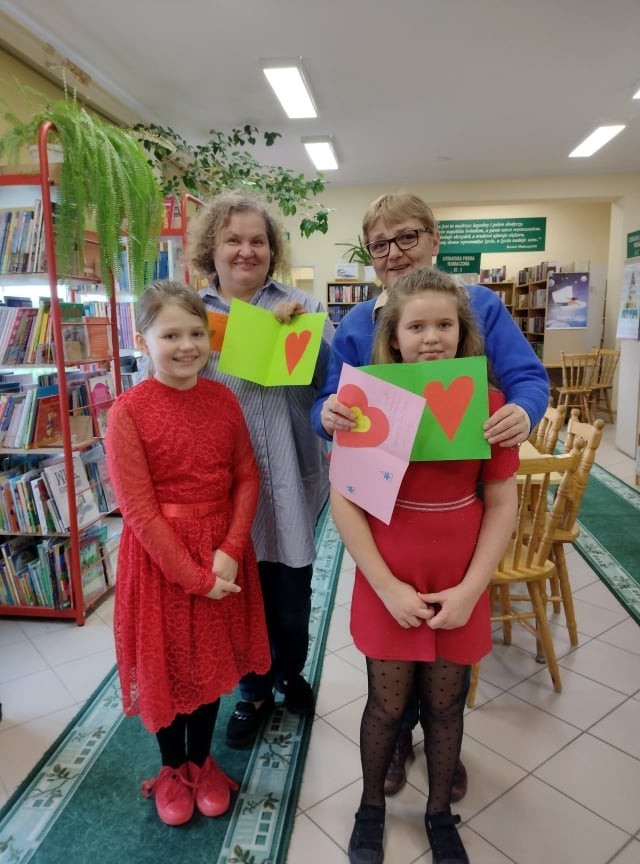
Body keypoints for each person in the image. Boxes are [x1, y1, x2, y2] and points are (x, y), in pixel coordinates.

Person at [312, 192, 549, 799]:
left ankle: (437, 744)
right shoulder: (358, 323)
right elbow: (330, 401)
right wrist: (327, 414)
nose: (394, 252)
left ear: (434, 238)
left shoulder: (481, 306)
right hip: (389, 516)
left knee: (444, 666)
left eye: (407, 237)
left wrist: (522, 411)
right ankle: (396, 741)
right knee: (391, 667)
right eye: (380, 243)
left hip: (458, 504)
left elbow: (526, 378)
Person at [331, 267, 519, 864]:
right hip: (386, 577)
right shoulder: (369, 404)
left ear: (464, 333)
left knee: (445, 705)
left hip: (459, 580)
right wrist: (385, 586)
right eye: (416, 326)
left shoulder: (489, 405)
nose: (432, 337)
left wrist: (471, 590)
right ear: (394, 336)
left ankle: (440, 815)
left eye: (444, 325)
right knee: (386, 705)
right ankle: (370, 809)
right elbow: (345, 502)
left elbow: (502, 502)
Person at [105, 280, 271, 826]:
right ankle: (172, 767)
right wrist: (194, 576)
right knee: (169, 665)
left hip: (222, 553)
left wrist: (230, 548)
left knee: (210, 663)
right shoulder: (127, 412)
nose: (186, 346)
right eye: (170, 335)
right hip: (163, 562)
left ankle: (202, 760)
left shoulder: (223, 400)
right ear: (142, 340)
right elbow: (139, 510)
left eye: (196, 333)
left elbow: (247, 477)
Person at [186, 191, 334, 748]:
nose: (246, 251)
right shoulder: (193, 315)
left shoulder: (305, 307)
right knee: (239, 595)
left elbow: (331, 387)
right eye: (233, 240)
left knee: (291, 593)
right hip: (223, 490)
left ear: (272, 250)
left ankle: (289, 673)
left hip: (292, 478)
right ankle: (251, 691)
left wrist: (296, 338)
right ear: (212, 248)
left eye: (257, 241)